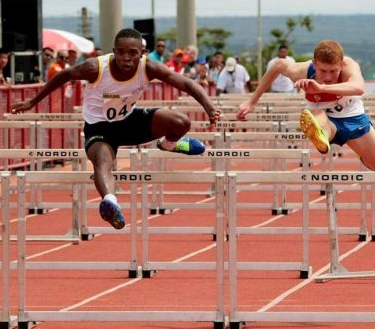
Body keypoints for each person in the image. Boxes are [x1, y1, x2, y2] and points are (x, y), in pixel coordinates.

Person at [12, 28, 220, 229]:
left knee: (180, 121)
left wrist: (210, 108)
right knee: (103, 161)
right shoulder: (95, 68)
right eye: (120, 52)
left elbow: (187, 84)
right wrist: (33, 101)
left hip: (129, 122)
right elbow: (64, 75)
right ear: (114, 50)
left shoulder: (149, 67)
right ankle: (111, 203)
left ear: (142, 54)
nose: (126, 58)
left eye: (132, 53)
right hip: (99, 128)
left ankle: (169, 144)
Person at [237, 39, 375, 187]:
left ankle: (366, 157)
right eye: (323, 71)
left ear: (341, 65)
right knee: (316, 115)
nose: (328, 76)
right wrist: (252, 101)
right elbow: (278, 65)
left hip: (353, 118)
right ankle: (322, 133)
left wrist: (321, 88)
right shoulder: (300, 72)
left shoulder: (349, 65)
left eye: (333, 71)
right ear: (314, 64)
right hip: (323, 117)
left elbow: (359, 87)